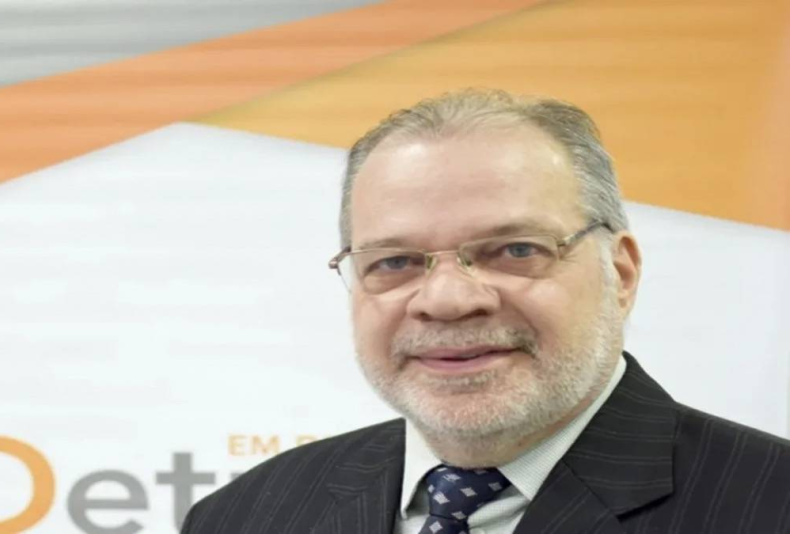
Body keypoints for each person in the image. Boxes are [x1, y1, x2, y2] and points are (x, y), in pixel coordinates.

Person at [181, 89, 790, 533]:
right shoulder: (245, 516)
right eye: (395, 261)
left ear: (621, 273)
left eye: (515, 250)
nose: (448, 300)